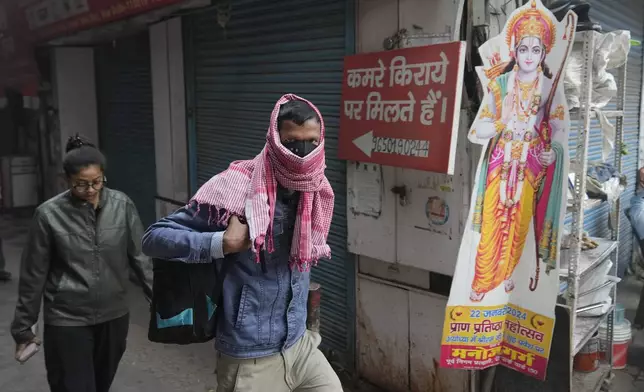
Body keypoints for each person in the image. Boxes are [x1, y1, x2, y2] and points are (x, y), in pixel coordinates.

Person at [142, 95, 342, 392]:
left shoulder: (315, 187)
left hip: (300, 346)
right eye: (291, 142)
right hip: (251, 357)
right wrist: (221, 242)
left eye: (311, 142)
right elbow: (154, 238)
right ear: (274, 140)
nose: (302, 153)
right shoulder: (234, 188)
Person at [11, 135, 153, 392]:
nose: (90, 190)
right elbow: (33, 274)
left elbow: (140, 258)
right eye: (81, 184)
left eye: (96, 182)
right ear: (66, 180)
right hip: (68, 318)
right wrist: (23, 328)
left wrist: (161, 300)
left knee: (101, 384)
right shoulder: (48, 215)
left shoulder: (122, 206)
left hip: (114, 315)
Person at [468, 1, 567, 302]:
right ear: (514, 50)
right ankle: (482, 282)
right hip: (501, 163)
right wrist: (500, 120)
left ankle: (508, 275)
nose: (529, 56)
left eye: (535, 50)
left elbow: (560, 136)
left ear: (544, 53)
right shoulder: (499, 85)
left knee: (520, 227)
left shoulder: (551, 89)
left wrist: (554, 155)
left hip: (532, 166)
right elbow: (476, 133)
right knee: (493, 225)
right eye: (523, 49)